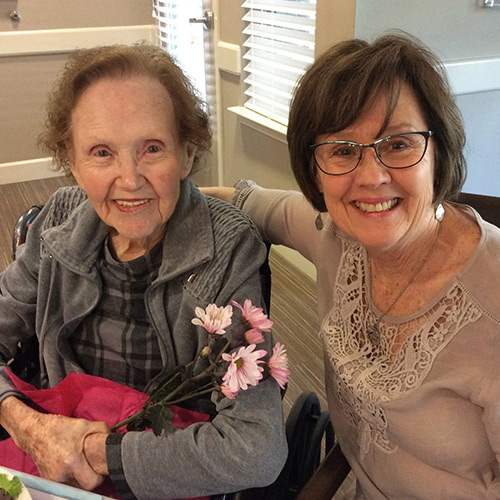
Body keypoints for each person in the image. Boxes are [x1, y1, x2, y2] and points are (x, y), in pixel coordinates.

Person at [203, 33, 500, 498]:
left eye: (398, 144)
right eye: (342, 150)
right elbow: (252, 202)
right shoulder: (336, 238)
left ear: (437, 150)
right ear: (315, 170)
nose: (372, 177)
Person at [0, 43, 287, 499]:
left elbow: (256, 447)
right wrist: (28, 425)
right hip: (56, 466)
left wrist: (97, 451)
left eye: (151, 149)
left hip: (165, 473)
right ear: (72, 163)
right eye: (101, 153)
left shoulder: (227, 247)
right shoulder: (58, 223)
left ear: (188, 153)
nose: (130, 179)